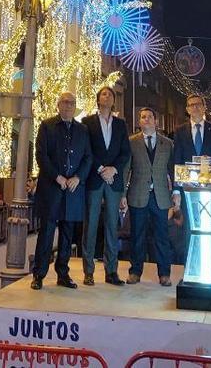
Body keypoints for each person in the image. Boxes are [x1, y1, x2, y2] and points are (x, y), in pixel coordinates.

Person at [30, 91, 92, 290]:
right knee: (47, 233)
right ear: (58, 105)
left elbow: (88, 158)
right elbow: (41, 156)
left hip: (73, 190)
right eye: (65, 102)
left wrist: (78, 177)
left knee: (67, 234)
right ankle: (38, 275)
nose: (68, 106)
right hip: (52, 188)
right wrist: (57, 177)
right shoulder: (47, 126)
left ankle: (63, 274)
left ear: (75, 107)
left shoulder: (82, 130)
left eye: (72, 103)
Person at [81, 85, 131, 286]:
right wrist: (102, 169)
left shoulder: (121, 124)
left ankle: (111, 271)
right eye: (104, 93)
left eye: (110, 94)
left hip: (114, 180)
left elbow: (125, 152)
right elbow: (87, 150)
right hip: (94, 178)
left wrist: (113, 170)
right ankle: (88, 271)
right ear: (98, 99)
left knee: (112, 226)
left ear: (113, 100)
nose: (108, 96)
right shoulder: (87, 122)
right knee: (91, 225)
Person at [122, 106, 175, 286]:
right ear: (139, 121)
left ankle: (164, 273)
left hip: (160, 197)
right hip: (138, 195)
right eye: (143, 117)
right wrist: (122, 194)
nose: (146, 119)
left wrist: (175, 193)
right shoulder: (131, 142)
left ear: (156, 121)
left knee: (162, 236)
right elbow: (125, 170)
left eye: (149, 117)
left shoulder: (167, 144)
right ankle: (135, 271)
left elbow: (172, 171)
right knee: (137, 235)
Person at [172, 93, 211, 166]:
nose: (195, 107)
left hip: (210, 175)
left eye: (198, 104)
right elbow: (177, 158)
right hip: (187, 175)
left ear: (204, 108)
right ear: (187, 110)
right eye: (191, 105)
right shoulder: (179, 131)